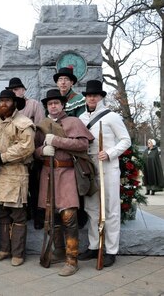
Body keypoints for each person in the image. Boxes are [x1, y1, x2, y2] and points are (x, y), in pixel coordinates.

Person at [35, 89, 94, 276]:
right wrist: (42, 151)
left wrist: (57, 141)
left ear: (62, 105)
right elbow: (34, 149)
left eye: (56, 103)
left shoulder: (73, 122)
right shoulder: (42, 124)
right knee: (51, 217)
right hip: (47, 172)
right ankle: (59, 251)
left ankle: (72, 259)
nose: (53, 106)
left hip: (67, 172)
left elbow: (83, 145)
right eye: (50, 104)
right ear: (47, 106)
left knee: (69, 216)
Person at [78, 80, 131, 267]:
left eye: (95, 95)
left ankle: (110, 250)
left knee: (111, 210)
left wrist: (109, 153)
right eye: (89, 95)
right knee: (92, 209)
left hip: (108, 167)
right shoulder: (82, 118)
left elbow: (126, 140)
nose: (91, 98)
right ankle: (94, 246)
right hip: (90, 168)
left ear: (101, 97)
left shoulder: (112, 117)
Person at [0, 89, 35, 267]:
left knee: (17, 214)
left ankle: (18, 253)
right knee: (1, 214)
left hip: (16, 173)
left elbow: (26, 147)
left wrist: (2, 157)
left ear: (15, 103)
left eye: (7, 101)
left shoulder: (24, 123)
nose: (3, 104)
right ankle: (4, 249)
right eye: (1, 101)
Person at [6, 77, 46, 229]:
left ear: (23, 90)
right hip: (13, 155)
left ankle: (38, 217)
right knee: (17, 186)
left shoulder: (33, 104)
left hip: (31, 152)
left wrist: (37, 151)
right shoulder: (8, 108)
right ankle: (24, 214)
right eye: (12, 90)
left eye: (17, 89)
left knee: (34, 186)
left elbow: (41, 127)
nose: (14, 92)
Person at [54, 66, 88, 228]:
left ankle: (80, 215)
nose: (63, 82)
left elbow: (82, 122)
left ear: (72, 82)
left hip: (72, 145)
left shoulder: (78, 99)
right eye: (60, 80)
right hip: (56, 148)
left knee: (77, 181)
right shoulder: (54, 100)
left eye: (66, 80)